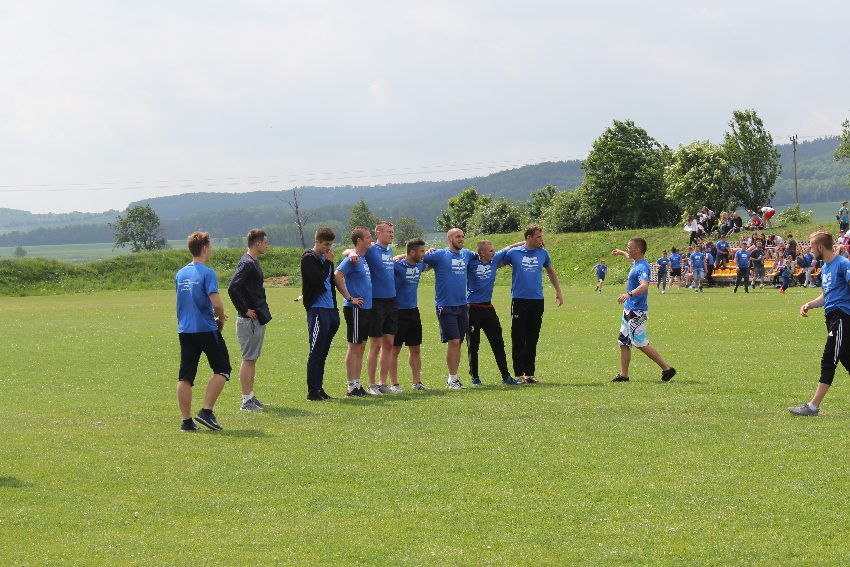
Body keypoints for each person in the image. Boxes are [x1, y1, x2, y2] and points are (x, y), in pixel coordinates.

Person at [175, 231, 231, 432]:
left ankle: (186, 422)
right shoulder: (208, 273)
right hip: (206, 329)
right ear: (205, 248)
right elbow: (217, 303)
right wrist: (220, 318)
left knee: (185, 377)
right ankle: (206, 411)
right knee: (222, 368)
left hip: (185, 330)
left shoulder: (181, 274)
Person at [789, 231, 850, 416]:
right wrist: (809, 304)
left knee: (828, 359)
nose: (810, 250)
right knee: (847, 360)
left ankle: (813, 406)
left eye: (812, 247)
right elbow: (826, 295)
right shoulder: (825, 268)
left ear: (821, 247)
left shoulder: (843, 264)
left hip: (842, 317)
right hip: (831, 318)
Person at [502, 224, 564, 384]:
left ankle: (530, 373)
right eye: (538, 237)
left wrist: (558, 291)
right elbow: (498, 260)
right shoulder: (514, 253)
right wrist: (516, 244)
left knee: (532, 337)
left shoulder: (543, 253)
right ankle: (519, 374)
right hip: (519, 300)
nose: (541, 240)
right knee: (518, 337)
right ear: (529, 237)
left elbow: (550, 271)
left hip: (537, 300)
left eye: (541, 237)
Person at [610, 237, 676, 383]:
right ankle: (624, 375)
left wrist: (629, 294)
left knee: (639, 342)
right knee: (623, 341)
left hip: (637, 311)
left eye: (629, 247)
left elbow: (645, 285)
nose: (627, 249)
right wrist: (621, 253)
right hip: (629, 309)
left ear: (638, 250)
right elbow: (629, 258)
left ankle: (667, 368)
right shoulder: (637, 262)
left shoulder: (642, 267)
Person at [424, 228, 476, 389]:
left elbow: (485, 255)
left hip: (462, 306)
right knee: (454, 341)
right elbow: (416, 258)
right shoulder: (439, 255)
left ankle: (454, 378)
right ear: (449, 239)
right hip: (445, 305)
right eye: (457, 236)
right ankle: (452, 379)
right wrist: (427, 252)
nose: (461, 239)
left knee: (458, 342)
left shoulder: (467, 254)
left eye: (462, 236)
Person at [466, 240, 522, 386]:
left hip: (488, 308)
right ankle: (475, 378)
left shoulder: (494, 260)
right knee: (474, 345)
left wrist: (526, 242)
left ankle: (506, 376)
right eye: (490, 250)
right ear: (482, 252)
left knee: (498, 342)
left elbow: (510, 247)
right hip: (472, 308)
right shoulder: (471, 263)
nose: (494, 252)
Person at [227, 228, 272, 411]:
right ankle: (246, 401)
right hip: (248, 321)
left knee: (252, 359)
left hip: (257, 318)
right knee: (248, 359)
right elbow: (233, 287)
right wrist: (245, 310)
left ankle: (251, 397)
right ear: (257, 243)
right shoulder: (247, 263)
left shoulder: (253, 261)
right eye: (265, 243)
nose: (267, 246)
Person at [301, 227, 342, 401]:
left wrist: (335, 308)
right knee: (316, 351)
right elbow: (317, 279)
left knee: (323, 352)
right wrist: (327, 262)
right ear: (317, 241)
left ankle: (319, 388)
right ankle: (312, 392)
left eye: (330, 245)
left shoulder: (327, 259)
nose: (328, 248)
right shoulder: (308, 258)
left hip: (330, 309)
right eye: (325, 244)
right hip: (317, 310)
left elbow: (330, 284)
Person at [333, 228, 372, 396]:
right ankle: (351, 387)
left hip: (366, 308)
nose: (371, 239)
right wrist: (349, 298)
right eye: (368, 237)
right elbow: (337, 276)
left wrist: (350, 251)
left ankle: (357, 384)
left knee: (361, 346)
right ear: (359, 241)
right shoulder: (352, 259)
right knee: (354, 346)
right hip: (355, 309)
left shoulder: (361, 257)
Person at [362, 221, 399, 395]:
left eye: (392, 232)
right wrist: (351, 252)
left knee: (389, 343)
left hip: (392, 301)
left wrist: (400, 257)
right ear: (378, 232)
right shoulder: (371, 249)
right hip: (376, 302)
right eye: (388, 232)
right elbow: (349, 251)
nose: (391, 234)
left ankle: (382, 383)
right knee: (375, 344)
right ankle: (371, 385)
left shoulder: (389, 250)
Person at [391, 238, 430, 391]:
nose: (423, 254)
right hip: (398, 312)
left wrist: (430, 251)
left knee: (416, 349)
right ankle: (394, 384)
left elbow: (429, 261)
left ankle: (417, 383)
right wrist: (399, 257)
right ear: (412, 252)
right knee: (395, 350)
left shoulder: (420, 265)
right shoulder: (397, 266)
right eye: (421, 251)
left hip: (414, 311)